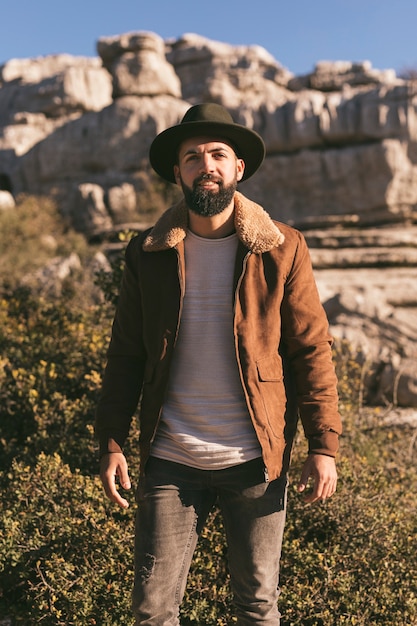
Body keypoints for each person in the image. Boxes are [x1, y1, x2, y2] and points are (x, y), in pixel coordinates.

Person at [95, 102, 342, 625]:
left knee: (256, 606)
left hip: (256, 457)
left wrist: (324, 446)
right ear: (178, 172)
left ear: (237, 168)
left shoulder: (282, 247)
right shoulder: (148, 251)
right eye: (192, 156)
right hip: (170, 456)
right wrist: (111, 439)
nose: (205, 164)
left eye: (217, 154)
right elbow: (125, 353)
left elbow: (310, 350)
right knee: (152, 610)